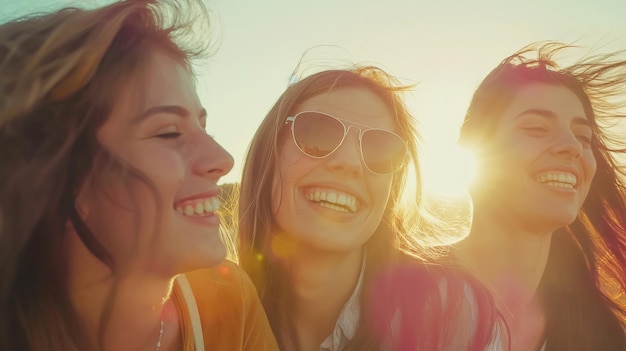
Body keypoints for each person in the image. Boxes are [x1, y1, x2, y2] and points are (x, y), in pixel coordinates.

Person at [0, 1, 278, 350]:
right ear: (55, 178)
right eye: (168, 133)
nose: (222, 159)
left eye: (204, 127)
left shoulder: (230, 304)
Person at [235, 64, 497, 350]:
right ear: (268, 154)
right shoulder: (211, 320)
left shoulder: (450, 314)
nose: (350, 162)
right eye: (317, 134)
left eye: (380, 148)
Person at [453, 42, 626, 350]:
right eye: (536, 128)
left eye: (583, 136)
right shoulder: (396, 290)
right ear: (475, 148)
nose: (572, 146)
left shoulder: (602, 334)